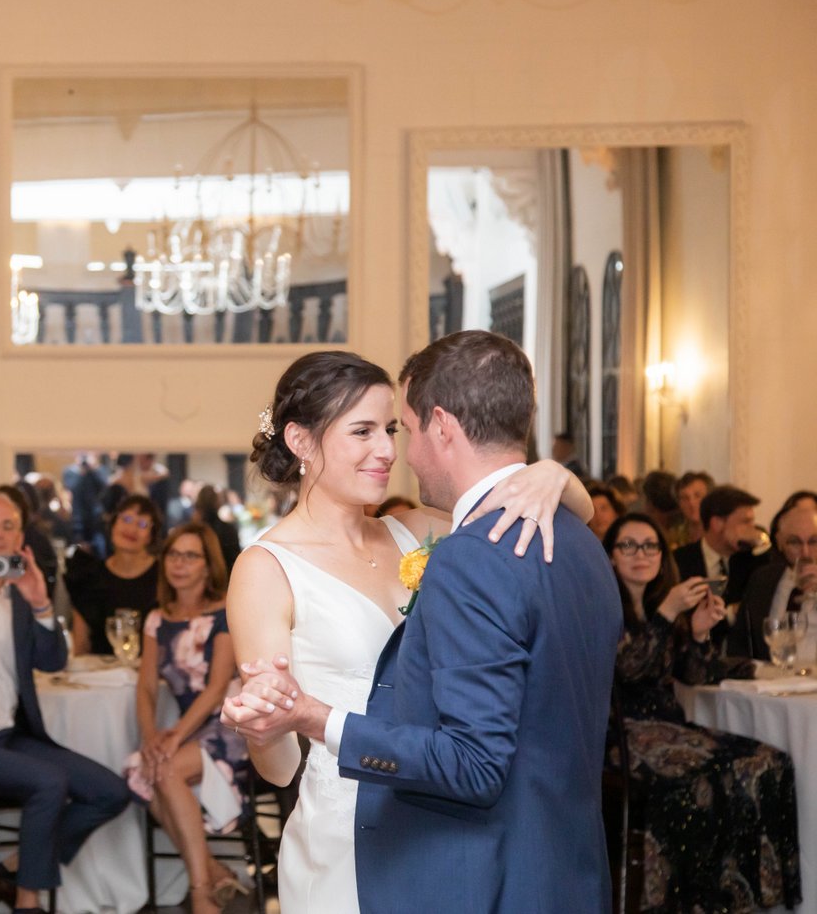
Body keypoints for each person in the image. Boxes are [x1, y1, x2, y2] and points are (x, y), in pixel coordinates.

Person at [222, 336, 616, 913]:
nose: (386, 450)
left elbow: (556, 513)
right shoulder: (264, 569)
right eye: (362, 432)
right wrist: (265, 728)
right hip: (346, 831)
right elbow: (280, 771)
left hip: (438, 832)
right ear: (301, 440)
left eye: (392, 430)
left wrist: (551, 475)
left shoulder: (419, 528)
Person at [0, 492, 130, 914]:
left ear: (20, 538)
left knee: (110, 792)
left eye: (7, 526)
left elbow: (53, 662)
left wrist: (41, 605)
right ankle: (27, 903)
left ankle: (13, 869)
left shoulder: (21, 589)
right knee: (49, 783)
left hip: (11, 736)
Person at [603, 513, 800, 911]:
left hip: (671, 726)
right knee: (698, 777)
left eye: (650, 545)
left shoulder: (662, 609)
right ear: (610, 556)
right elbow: (628, 667)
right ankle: (684, 900)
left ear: (662, 555)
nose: (641, 553)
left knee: (770, 760)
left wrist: (698, 632)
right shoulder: (603, 607)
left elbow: (696, 675)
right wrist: (668, 613)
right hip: (623, 733)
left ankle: (745, 892)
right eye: (628, 545)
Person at [126, 524, 247, 914]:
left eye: (190, 556)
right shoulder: (158, 619)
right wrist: (150, 739)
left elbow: (215, 690)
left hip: (230, 724)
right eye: (173, 555)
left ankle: (200, 893)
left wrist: (173, 737)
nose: (179, 564)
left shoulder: (225, 612)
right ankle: (213, 872)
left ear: (208, 565)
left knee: (165, 770)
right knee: (142, 769)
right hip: (189, 728)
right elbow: (145, 687)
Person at [66, 494, 163, 656]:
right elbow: (81, 645)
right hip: (101, 674)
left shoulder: (164, 576)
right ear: (113, 524)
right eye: (126, 519)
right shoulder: (89, 576)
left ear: (151, 536)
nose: (132, 529)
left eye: (142, 524)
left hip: (153, 673)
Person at [732, 500, 817, 662]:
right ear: (779, 542)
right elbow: (740, 640)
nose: (806, 552)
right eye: (794, 542)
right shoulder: (763, 579)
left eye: (814, 541)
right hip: (772, 679)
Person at [673, 485, 761, 583]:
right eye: (745, 522)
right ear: (717, 524)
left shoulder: (754, 559)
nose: (752, 528)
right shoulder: (678, 562)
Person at [193, 485, 242, 572]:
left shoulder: (192, 530)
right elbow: (234, 559)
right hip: (223, 576)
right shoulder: (228, 529)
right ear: (218, 503)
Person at [673, 470, 715, 548]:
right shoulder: (673, 538)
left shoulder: (721, 536)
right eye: (685, 498)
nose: (691, 503)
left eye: (698, 496)